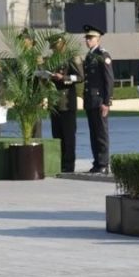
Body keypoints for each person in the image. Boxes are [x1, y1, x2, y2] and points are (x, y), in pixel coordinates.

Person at [47, 32, 83, 173]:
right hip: (55, 103)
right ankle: (59, 162)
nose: (54, 49)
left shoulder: (72, 57)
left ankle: (68, 166)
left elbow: (80, 77)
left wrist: (64, 78)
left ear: (62, 44)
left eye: (55, 46)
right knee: (57, 135)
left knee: (68, 137)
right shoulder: (52, 59)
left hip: (67, 102)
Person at [82, 24, 113, 174]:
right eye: (87, 38)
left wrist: (107, 102)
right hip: (90, 101)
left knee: (101, 133)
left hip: (99, 100)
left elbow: (109, 80)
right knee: (94, 133)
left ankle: (103, 163)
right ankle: (97, 162)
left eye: (91, 38)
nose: (88, 40)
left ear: (98, 39)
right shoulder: (89, 55)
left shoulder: (103, 55)